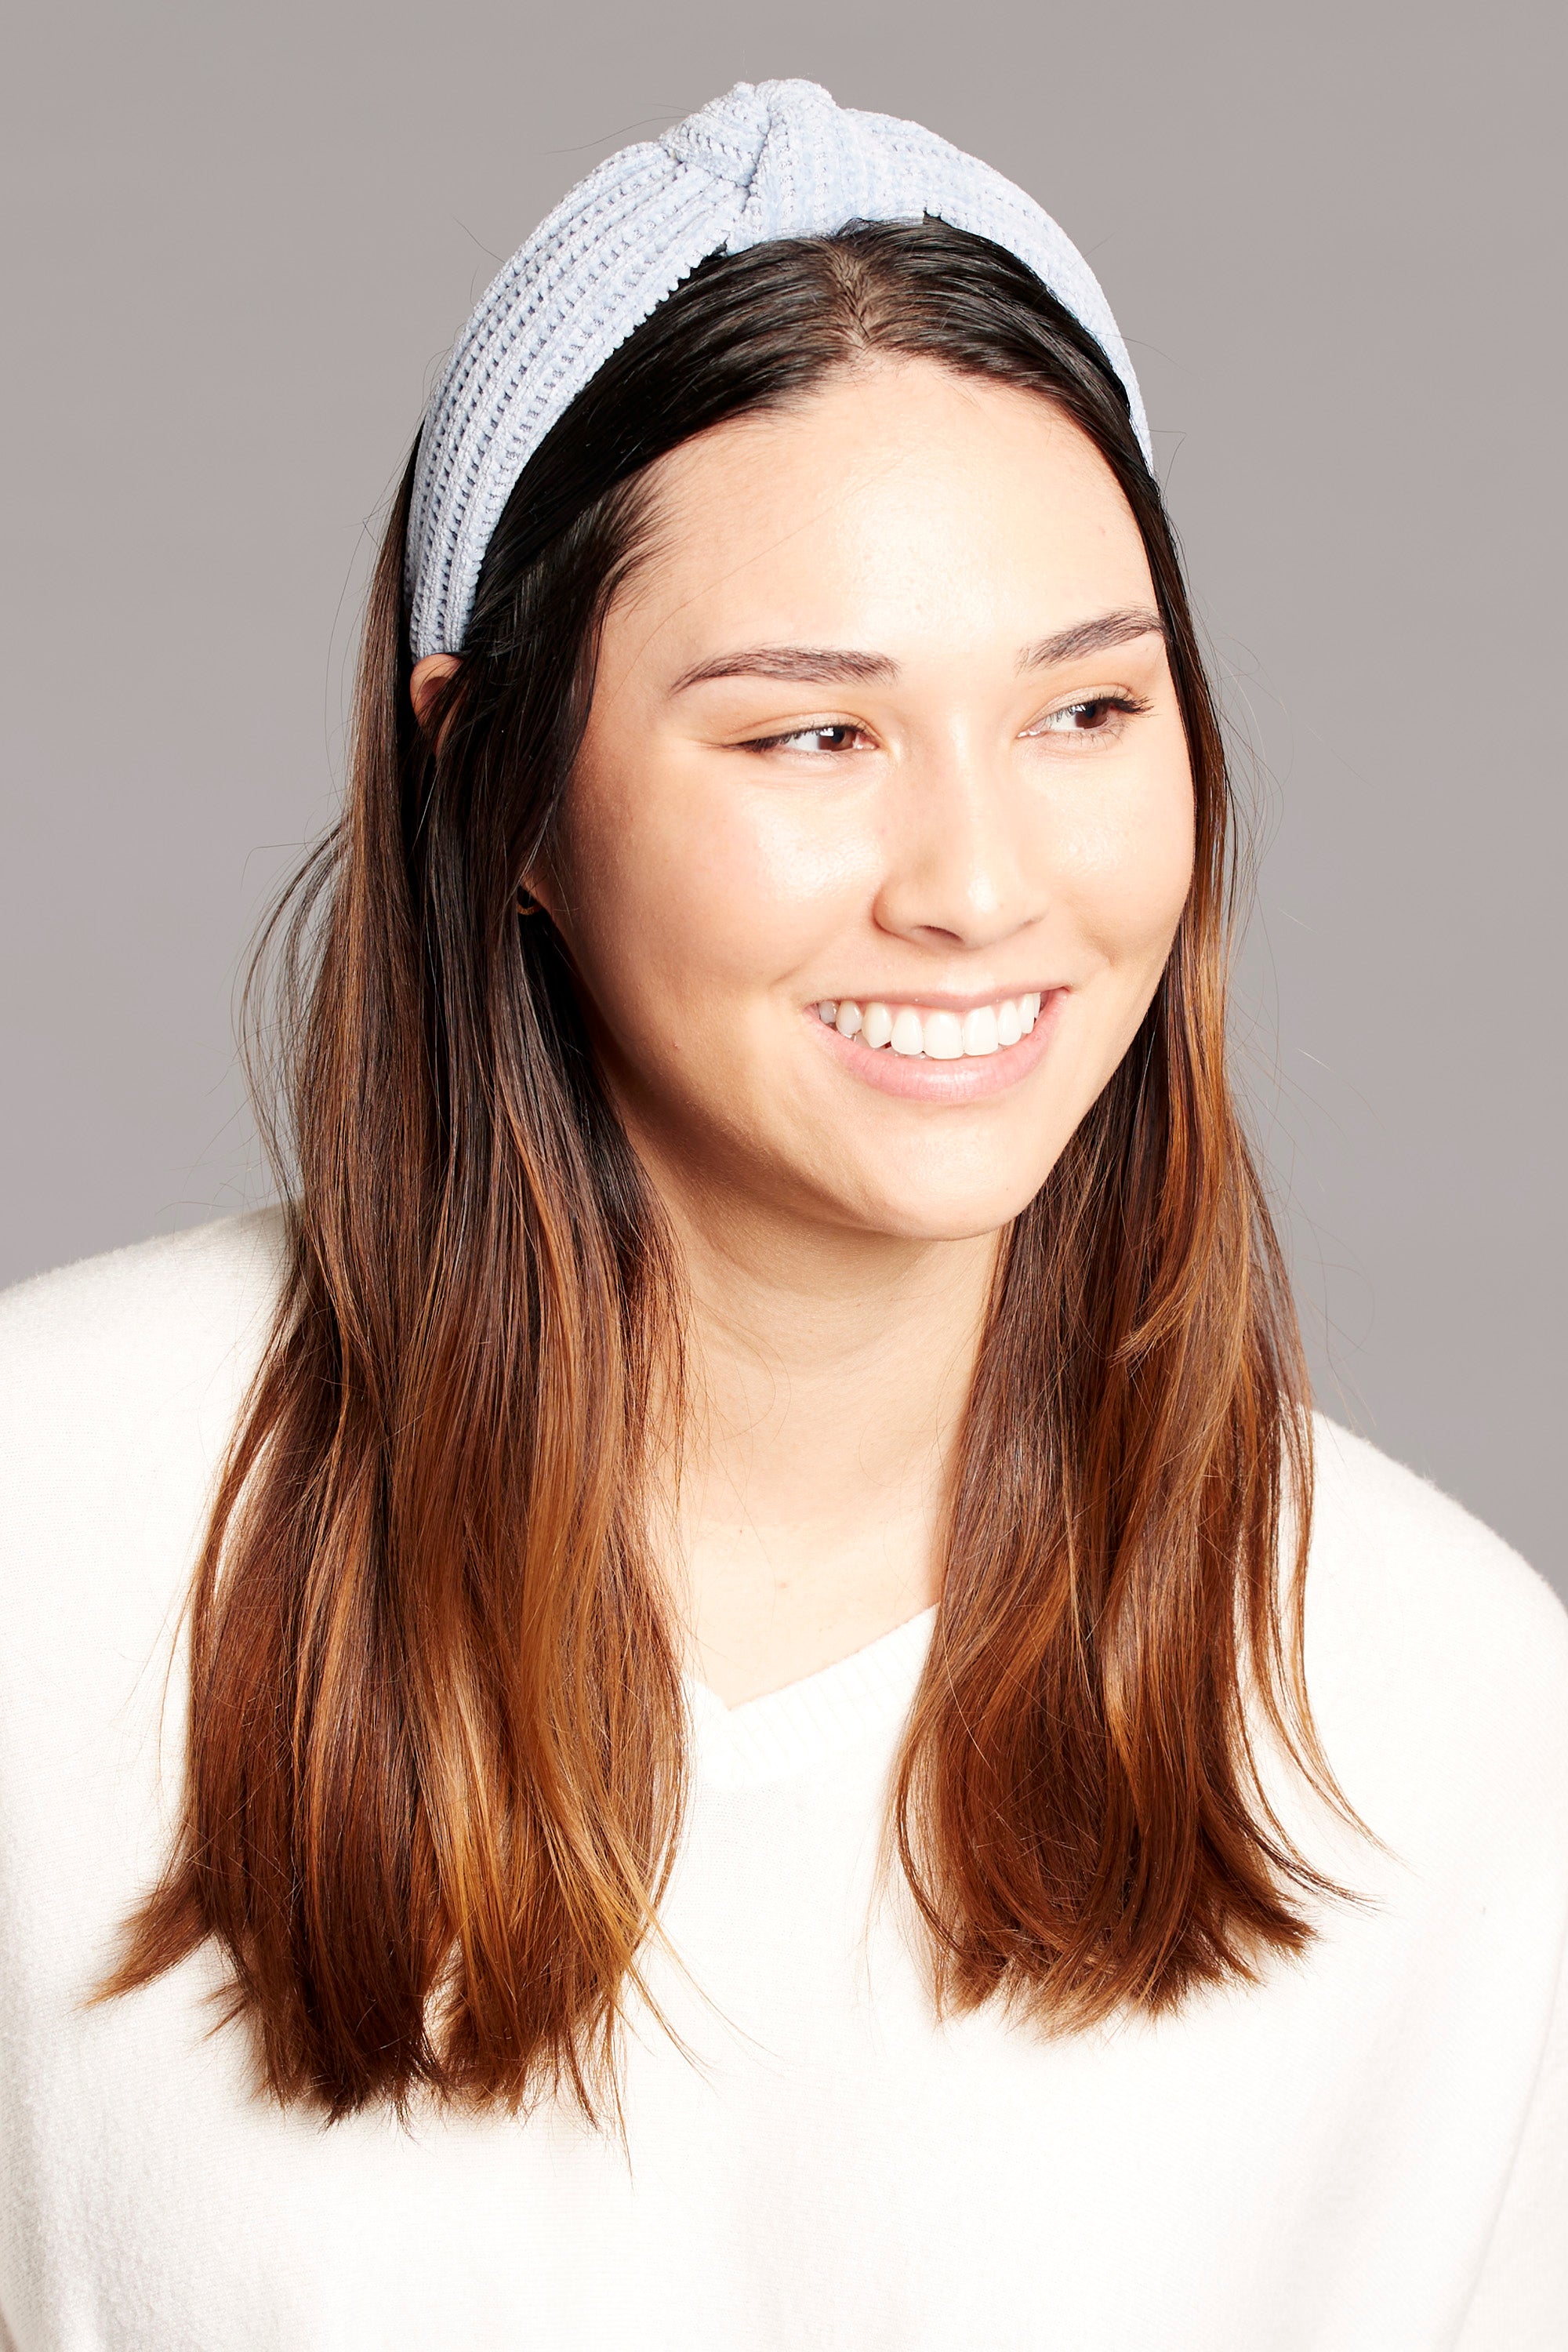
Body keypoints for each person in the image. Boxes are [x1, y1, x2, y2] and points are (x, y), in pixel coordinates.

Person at [0, 77, 1563, 2352]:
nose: (980, 885)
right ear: (499, 784)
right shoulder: (44, 1532)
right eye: (813, 736)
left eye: (1085, 710)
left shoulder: (1454, 1716)